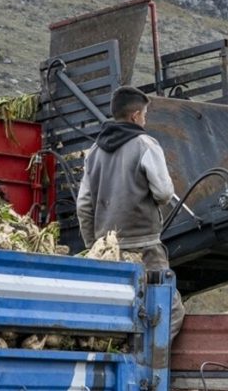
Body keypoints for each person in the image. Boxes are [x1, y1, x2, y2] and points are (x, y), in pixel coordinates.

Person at [76, 85, 185, 340]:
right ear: (136, 116)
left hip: (108, 250)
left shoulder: (94, 152)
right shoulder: (145, 144)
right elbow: (164, 191)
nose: (145, 120)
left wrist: (96, 245)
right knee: (169, 312)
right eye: (145, 115)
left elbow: (83, 205)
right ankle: (146, 368)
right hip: (145, 248)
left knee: (118, 314)